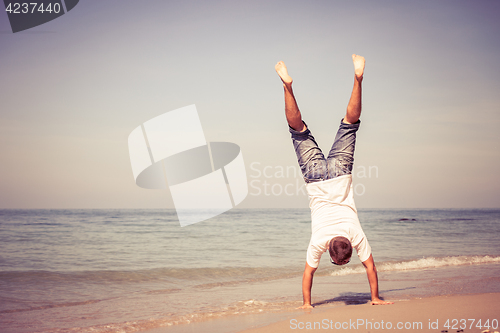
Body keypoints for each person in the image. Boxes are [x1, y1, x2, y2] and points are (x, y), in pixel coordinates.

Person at [275, 54, 393, 308]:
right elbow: (308, 274)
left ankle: (358, 79)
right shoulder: (319, 242)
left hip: (340, 173)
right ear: (333, 251)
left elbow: (370, 268)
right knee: (297, 131)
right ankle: (287, 86)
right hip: (314, 178)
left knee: (350, 125)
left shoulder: (356, 235)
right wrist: (306, 304)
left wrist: (375, 296)